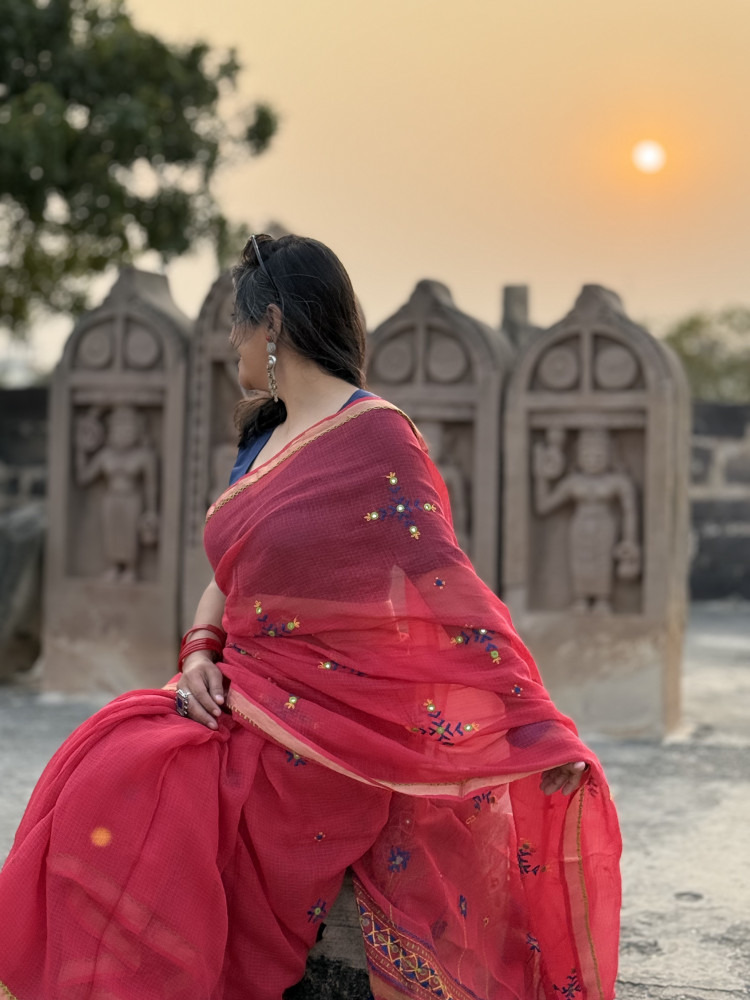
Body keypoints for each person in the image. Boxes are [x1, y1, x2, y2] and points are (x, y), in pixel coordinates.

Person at [0, 234, 621, 1000]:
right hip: (239, 693)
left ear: (272, 323)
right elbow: (227, 577)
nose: (230, 342)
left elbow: (447, 583)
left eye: (238, 324)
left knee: (134, 780)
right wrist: (198, 656)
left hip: (328, 731)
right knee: (105, 755)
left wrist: (534, 722)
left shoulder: (377, 435)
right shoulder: (262, 438)